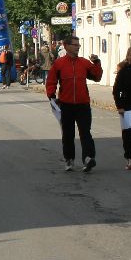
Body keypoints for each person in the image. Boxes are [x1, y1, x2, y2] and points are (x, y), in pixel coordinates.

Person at [46, 35, 104, 172]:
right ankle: (69, 159)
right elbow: (51, 80)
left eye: (79, 45)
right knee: (68, 134)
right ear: (66, 46)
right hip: (65, 104)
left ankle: (88, 158)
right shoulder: (59, 64)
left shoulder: (84, 62)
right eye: (75, 45)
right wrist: (51, 95)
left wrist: (97, 62)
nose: (78, 47)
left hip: (83, 104)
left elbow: (97, 77)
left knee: (85, 133)